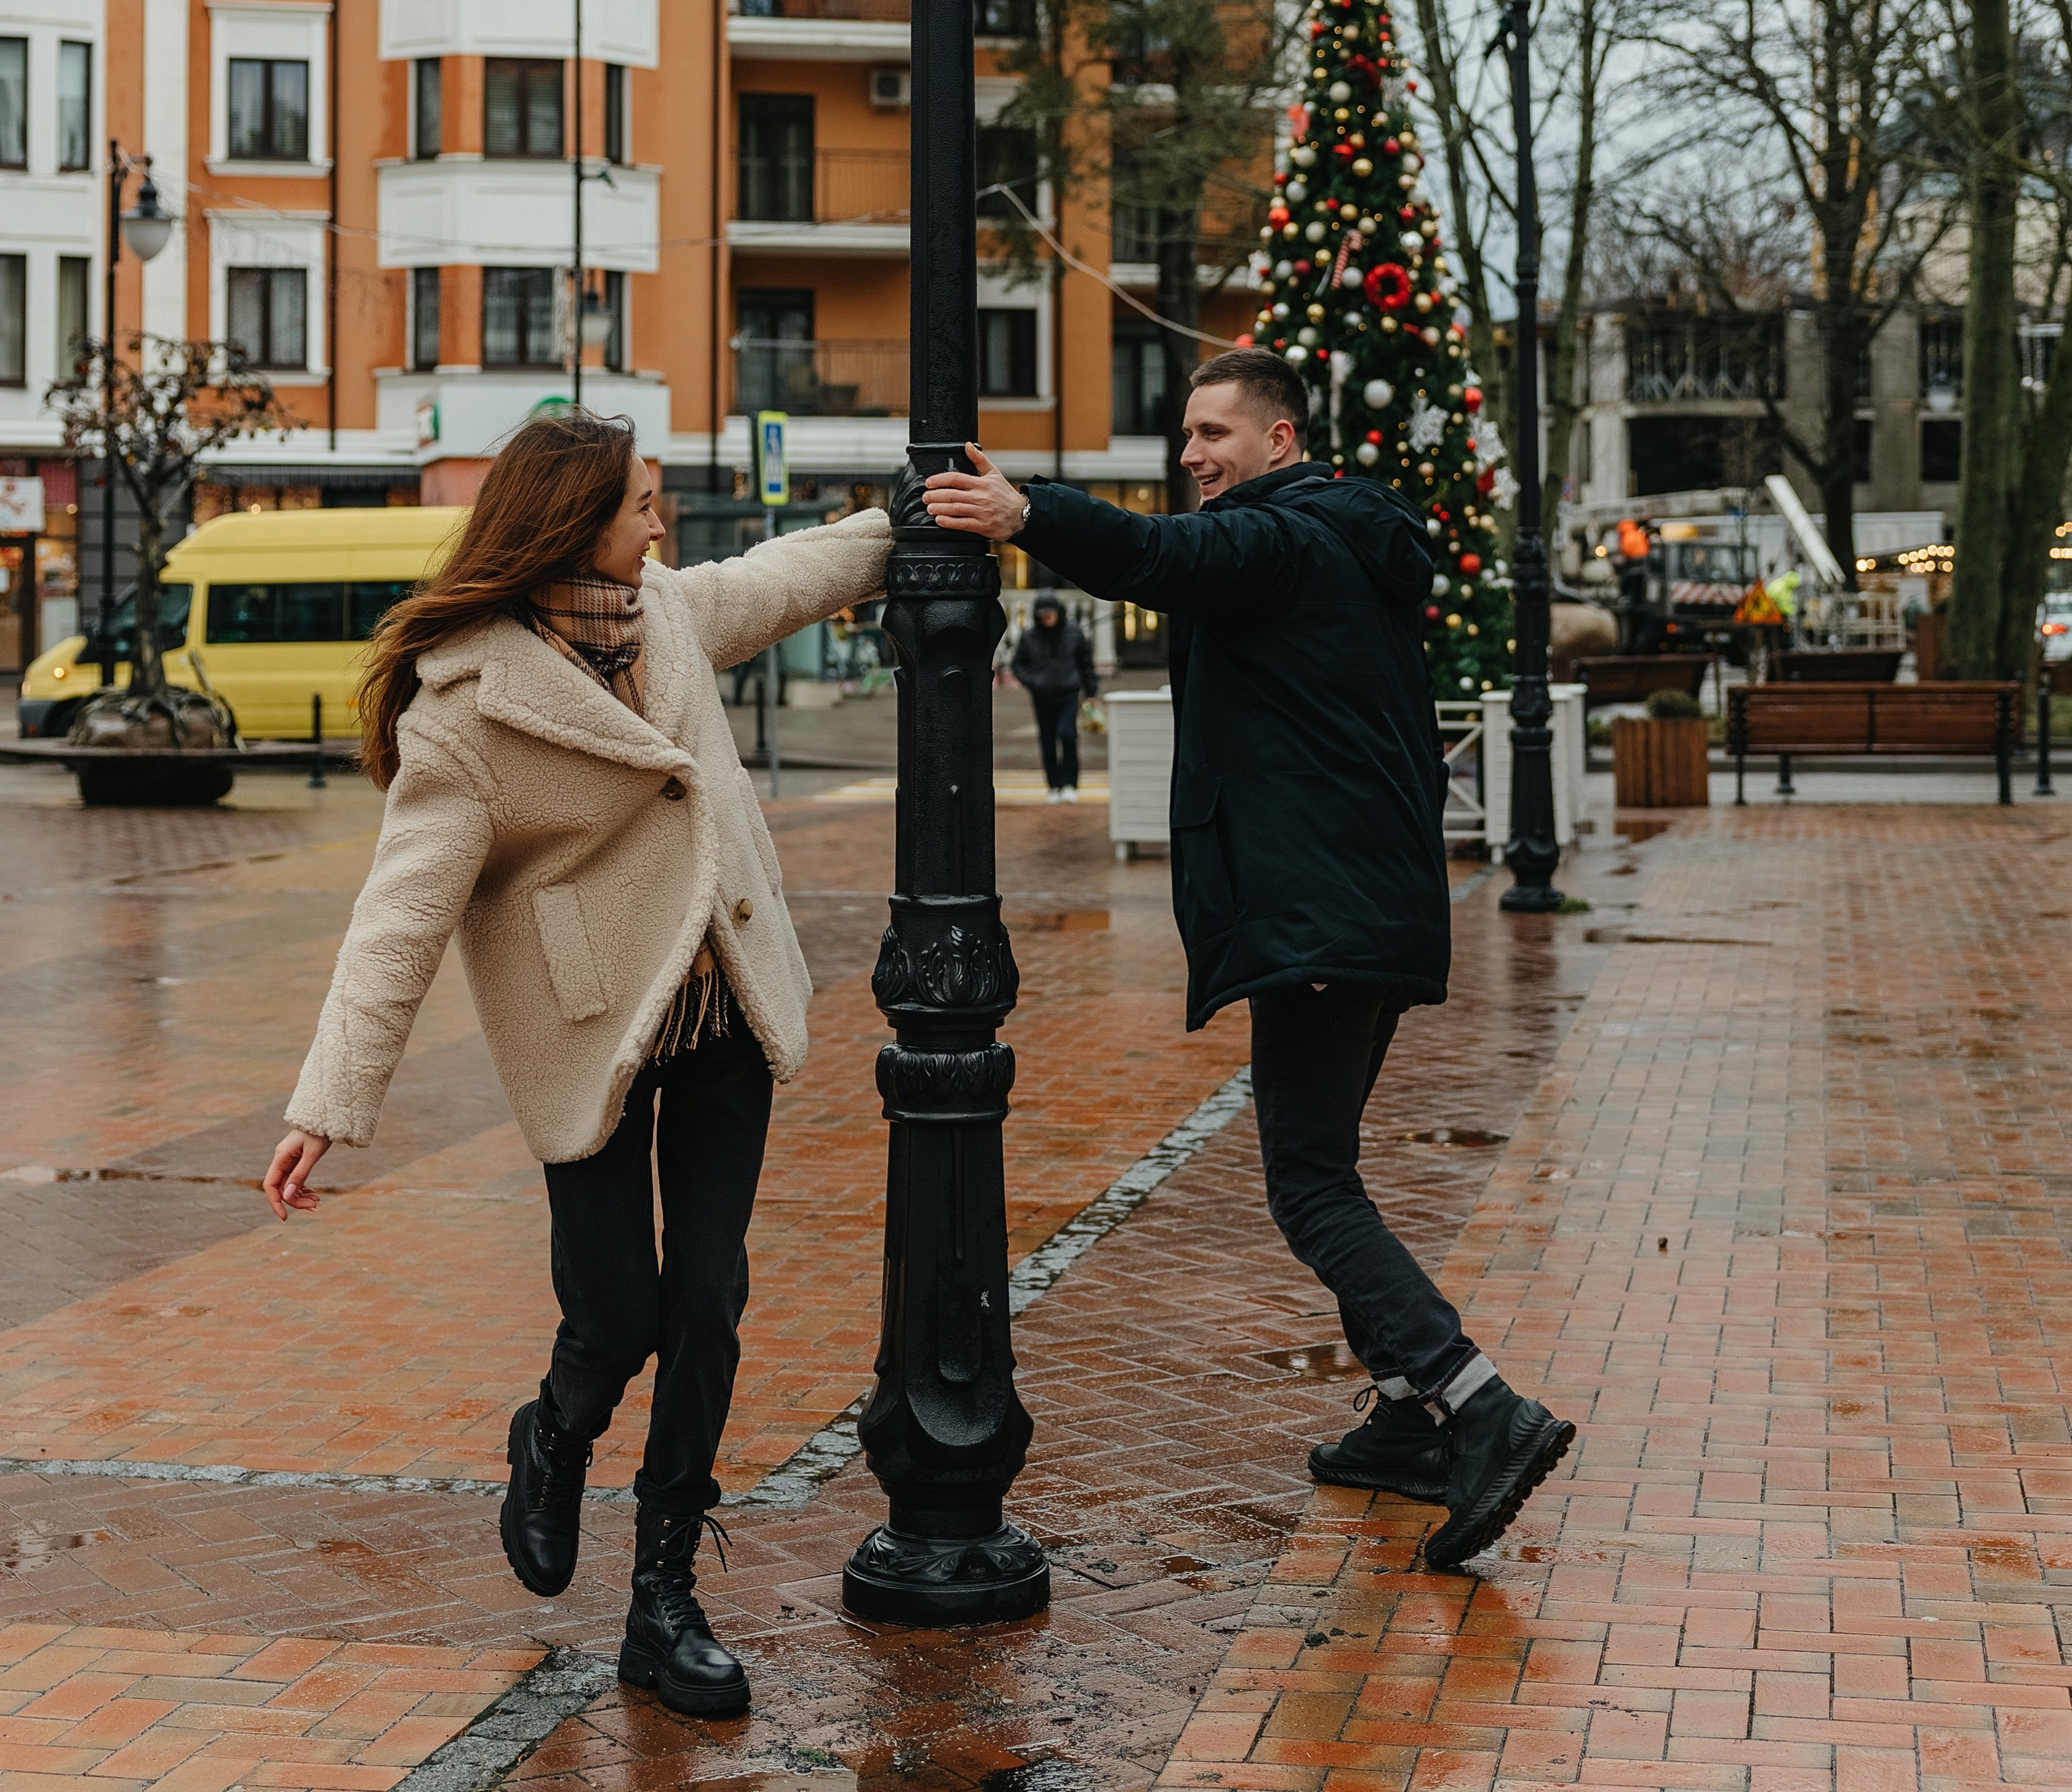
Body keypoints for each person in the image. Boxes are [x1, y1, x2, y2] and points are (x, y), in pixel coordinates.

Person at [263, 408, 890, 1715]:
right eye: (641, 502)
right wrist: (331, 1099)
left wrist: (911, 519)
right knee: (618, 1313)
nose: (660, 523)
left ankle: (664, 1596)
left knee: (708, 1297)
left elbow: (783, 576)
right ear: (573, 518)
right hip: (591, 1026)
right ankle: (552, 1432)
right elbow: (401, 911)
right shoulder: (469, 704)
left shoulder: (666, 611)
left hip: (725, 1009)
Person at [923, 349, 1575, 1570]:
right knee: (1321, 1164)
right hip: (1355, 908)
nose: (1192, 456)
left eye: (1215, 434)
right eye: (1186, 436)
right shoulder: (1331, 536)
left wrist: (1028, 514)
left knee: (1310, 1182)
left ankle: (1479, 1406)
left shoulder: (1292, 539)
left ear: (1280, 442)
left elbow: (1177, 560)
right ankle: (1402, 1421)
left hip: (1325, 913)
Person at [1011, 590, 1098, 801]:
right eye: (1043, 614)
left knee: (1068, 735)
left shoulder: (1074, 632)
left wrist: (1091, 691)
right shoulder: (1030, 635)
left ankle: (1070, 783)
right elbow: (1017, 664)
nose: (1047, 618)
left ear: (1058, 612)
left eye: (1050, 613)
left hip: (1069, 692)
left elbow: (1085, 663)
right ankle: (1054, 785)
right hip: (1042, 695)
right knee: (1047, 740)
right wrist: (1033, 682)